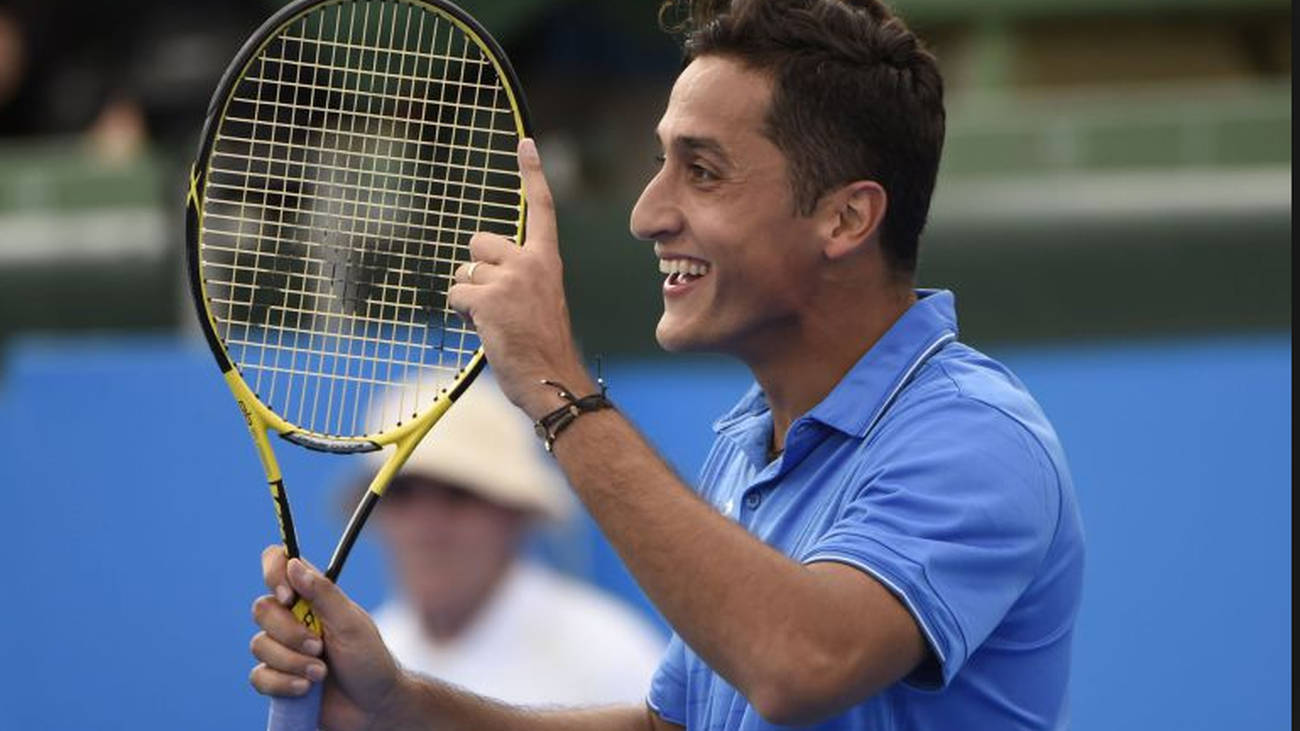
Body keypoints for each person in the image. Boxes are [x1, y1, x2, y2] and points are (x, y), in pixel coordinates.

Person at [248, 1, 1085, 729]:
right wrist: (404, 709)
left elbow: (800, 663)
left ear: (846, 218)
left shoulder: (976, 437)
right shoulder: (748, 446)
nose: (648, 213)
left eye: (703, 172)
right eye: (660, 163)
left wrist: (557, 388)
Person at [358, 377, 665, 707]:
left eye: (458, 495)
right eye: (402, 494)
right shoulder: (369, 654)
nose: (425, 527)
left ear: (515, 515)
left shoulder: (609, 655)